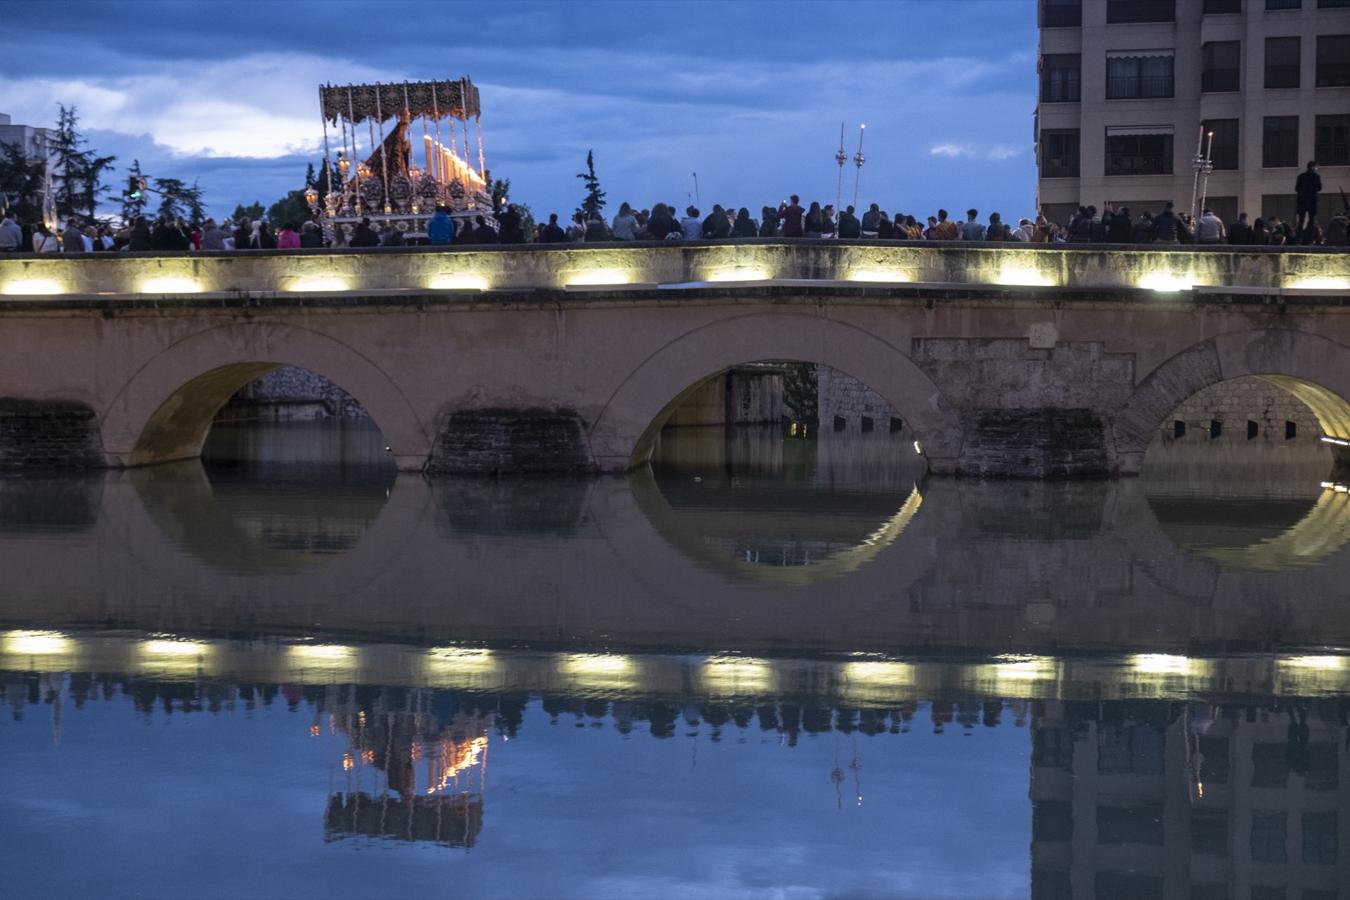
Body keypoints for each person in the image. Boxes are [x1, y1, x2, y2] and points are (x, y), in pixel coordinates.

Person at [1295, 161, 1321, 236]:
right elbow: (1319, 188)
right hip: (1311, 201)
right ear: (1312, 167)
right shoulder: (1316, 177)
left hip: (1302, 201)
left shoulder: (1301, 176)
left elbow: (1296, 188)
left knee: (1301, 220)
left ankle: (1298, 237)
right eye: (1316, 167)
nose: (1316, 168)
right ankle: (1310, 237)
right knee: (1311, 220)